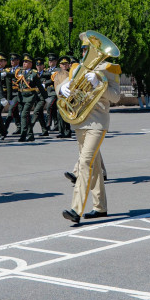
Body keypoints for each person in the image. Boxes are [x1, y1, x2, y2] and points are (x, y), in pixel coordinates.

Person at [60, 33, 122, 225]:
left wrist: (100, 85)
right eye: (85, 50)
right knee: (93, 166)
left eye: (89, 49)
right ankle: (100, 207)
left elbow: (116, 97)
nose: (86, 53)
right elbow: (65, 85)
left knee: (85, 162)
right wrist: (61, 89)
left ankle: (76, 209)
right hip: (80, 121)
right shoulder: (77, 68)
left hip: (97, 122)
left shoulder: (109, 69)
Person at [17, 54, 43, 142]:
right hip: (21, 96)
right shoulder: (20, 72)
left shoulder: (34, 74)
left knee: (24, 115)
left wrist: (45, 97)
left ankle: (23, 135)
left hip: (30, 96)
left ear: (31, 64)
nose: (24, 64)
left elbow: (40, 86)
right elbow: (11, 75)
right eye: (24, 62)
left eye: (27, 62)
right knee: (25, 116)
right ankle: (31, 134)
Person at [0, 53, 12, 140]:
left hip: (2, 96)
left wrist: (8, 98)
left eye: (1, 61)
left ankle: (2, 132)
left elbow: (8, 86)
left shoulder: (6, 72)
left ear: (5, 62)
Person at [54, 55, 74, 138]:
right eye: (63, 64)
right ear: (60, 65)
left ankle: (67, 131)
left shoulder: (71, 74)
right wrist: (58, 95)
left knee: (66, 114)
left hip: (68, 97)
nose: (64, 65)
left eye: (66, 64)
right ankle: (61, 131)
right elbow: (56, 85)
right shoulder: (57, 75)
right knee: (59, 114)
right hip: (60, 97)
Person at [41, 53, 60, 131]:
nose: (50, 62)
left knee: (49, 107)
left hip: (54, 92)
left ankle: (48, 124)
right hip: (48, 92)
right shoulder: (47, 70)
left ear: (55, 62)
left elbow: (54, 80)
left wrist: (45, 83)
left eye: (52, 61)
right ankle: (56, 125)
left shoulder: (57, 70)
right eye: (49, 60)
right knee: (53, 108)